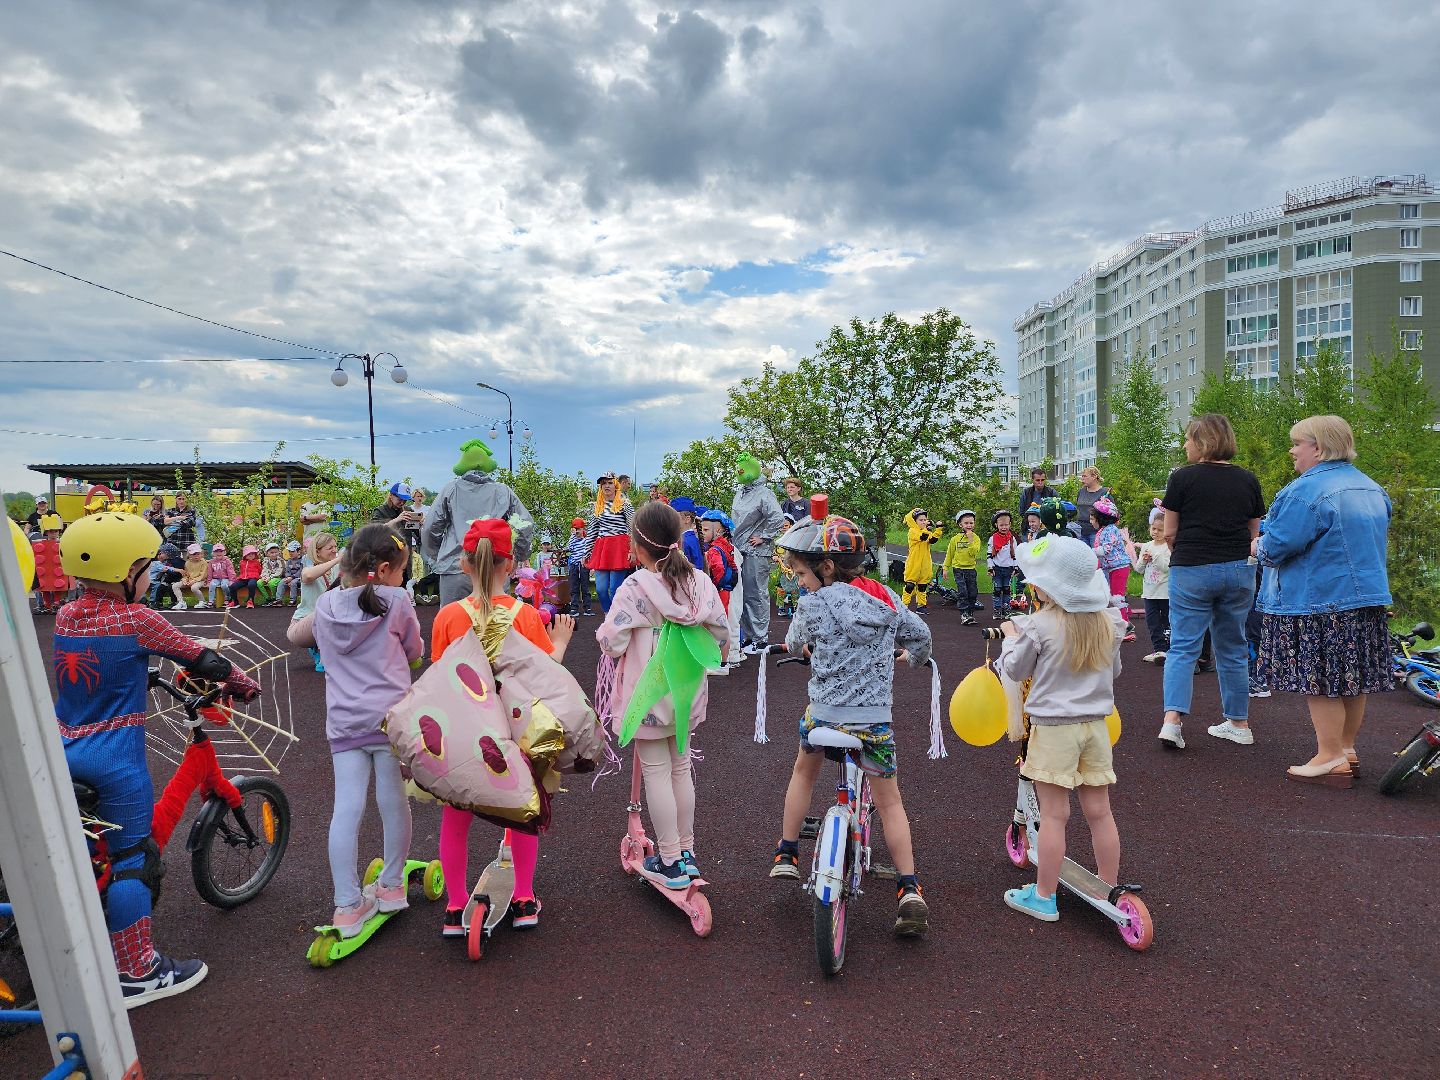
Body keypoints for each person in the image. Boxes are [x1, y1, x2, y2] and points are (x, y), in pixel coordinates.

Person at [54, 511, 259, 1006]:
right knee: (133, 860)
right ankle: (137, 972)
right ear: (128, 571)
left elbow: (100, 668)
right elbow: (199, 658)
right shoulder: (137, 618)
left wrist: (138, 674)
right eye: (147, 567)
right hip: (114, 762)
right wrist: (241, 683)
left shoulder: (67, 615)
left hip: (64, 749)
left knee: (85, 847)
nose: (151, 576)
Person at [768, 510, 931, 935]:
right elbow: (922, 639)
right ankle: (908, 888)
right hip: (873, 722)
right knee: (891, 802)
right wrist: (912, 657)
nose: (799, 581)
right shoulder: (885, 602)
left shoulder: (811, 604)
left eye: (802, 573)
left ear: (825, 568)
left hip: (824, 717)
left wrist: (806, 650)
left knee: (804, 770)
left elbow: (795, 643)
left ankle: (787, 853)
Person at [430, 518, 576, 933]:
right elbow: (546, 673)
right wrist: (561, 641)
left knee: (455, 822)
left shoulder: (448, 616)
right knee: (522, 815)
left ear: (464, 564)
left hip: (464, 734)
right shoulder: (526, 615)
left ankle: (456, 908)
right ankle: (524, 900)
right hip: (512, 734)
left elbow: (443, 675)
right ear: (510, 565)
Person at [290, 524, 421, 938]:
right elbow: (416, 652)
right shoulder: (398, 601)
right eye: (401, 571)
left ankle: (347, 904)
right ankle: (392, 884)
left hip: (345, 723)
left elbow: (295, 634)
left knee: (345, 810)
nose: (402, 579)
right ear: (384, 569)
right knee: (393, 802)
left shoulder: (327, 605)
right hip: (389, 721)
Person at [1256, 416, 1393, 788]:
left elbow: (1279, 545)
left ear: (1317, 447)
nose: (1292, 451)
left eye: (1296, 443)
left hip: (1318, 599)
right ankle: (1346, 749)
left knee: (1321, 680)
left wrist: (1258, 545)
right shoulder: (1371, 487)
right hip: (1366, 597)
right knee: (1353, 676)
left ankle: (1327, 756)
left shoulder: (1305, 491)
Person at [597, 501, 728, 886]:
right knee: (681, 767)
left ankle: (669, 860)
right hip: (686, 690)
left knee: (656, 771)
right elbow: (720, 632)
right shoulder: (700, 582)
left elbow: (612, 641)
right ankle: (686, 851)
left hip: (649, 694)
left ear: (638, 547)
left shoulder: (635, 587)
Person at [997, 534, 1125, 924]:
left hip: (1054, 729)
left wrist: (1009, 641)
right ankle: (1106, 886)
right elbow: (1114, 671)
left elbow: (1015, 670)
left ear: (1042, 586)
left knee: (1054, 815)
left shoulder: (1039, 625)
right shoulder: (1109, 622)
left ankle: (1044, 896)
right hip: (1096, 727)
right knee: (1100, 812)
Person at [1157, 414, 1266, 751]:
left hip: (1192, 568)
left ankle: (1173, 723)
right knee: (1232, 646)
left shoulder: (1182, 479)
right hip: (1237, 571)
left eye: (1189, 439)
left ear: (1202, 442)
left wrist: (1188, 551)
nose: (1185, 444)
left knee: (1184, 647)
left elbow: (1170, 532)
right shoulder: (1248, 480)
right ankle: (1238, 723)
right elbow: (1254, 533)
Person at [424, 440, 535, 607]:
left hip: (456, 568)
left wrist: (437, 557)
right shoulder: (502, 491)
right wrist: (517, 557)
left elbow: (430, 529)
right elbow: (525, 524)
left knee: (453, 626)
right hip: (495, 567)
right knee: (497, 627)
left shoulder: (451, 490)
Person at [729, 452, 786, 652]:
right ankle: (748, 637)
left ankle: (760, 639)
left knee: (756, 594)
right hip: (740, 549)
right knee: (742, 594)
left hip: (756, 551)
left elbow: (778, 518)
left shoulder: (764, 493)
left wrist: (764, 536)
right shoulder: (741, 492)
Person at [288, 531, 341, 672]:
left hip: (325, 623)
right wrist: (337, 559)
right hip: (301, 627)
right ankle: (321, 651)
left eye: (336, 546)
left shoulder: (337, 569)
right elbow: (307, 576)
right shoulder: (308, 569)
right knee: (323, 612)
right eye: (330, 548)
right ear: (317, 551)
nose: (335, 550)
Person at [585, 473, 636, 613]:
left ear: (616, 485)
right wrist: (586, 553)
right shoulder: (598, 507)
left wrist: (633, 550)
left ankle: (616, 620)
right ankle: (609, 615)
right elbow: (592, 531)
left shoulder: (625, 504)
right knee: (601, 589)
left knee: (615, 589)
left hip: (619, 547)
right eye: (604, 484)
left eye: (609, 483)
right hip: (602, 548)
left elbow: (633, 527)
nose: (606, 486)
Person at [1130, 508, 1172, 663]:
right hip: (1149, 593)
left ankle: (1169, 649)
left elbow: (1167, 568)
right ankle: (1158, 650)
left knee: (1167, 621)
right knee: (1152, 622)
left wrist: (1155, 558)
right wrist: (1144, 560)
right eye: (1154, 529)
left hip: (1165, 592)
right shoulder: (1147, 545)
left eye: (1160, 530)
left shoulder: (1169, 547)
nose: (1156, 532)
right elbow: (1139, 569)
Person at [1089, 496, 1133, 640]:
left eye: (1092, 518)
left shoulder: (1110, 530)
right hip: (1112, 567)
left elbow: (1106, 549)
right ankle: (1124, 622)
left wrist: (1088, 551)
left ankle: (1126, 627)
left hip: (1119, 567)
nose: (1091, 521)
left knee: (1117, 597)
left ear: (1101, 518)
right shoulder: (1104, 530)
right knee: (1114, 596)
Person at [371, 483, 423, 585]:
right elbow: (374, 531)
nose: (402, 502)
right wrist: (397, 520)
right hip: (387, 559)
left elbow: (416, 533)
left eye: (405, 500)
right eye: (400, 499)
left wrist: (420, 524)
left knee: (404, 588)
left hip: (405, 560)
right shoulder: (380, 511)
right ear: (391, 496)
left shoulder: (408, 511)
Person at [943, 510, 983, 624]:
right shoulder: (955, 539)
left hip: (970, 569)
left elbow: (974, 553)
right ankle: (964, 614)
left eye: (971, 523)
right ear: (960, 525)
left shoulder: (976, 538)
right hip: (958, 569)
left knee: (973, 592)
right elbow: (949, 554)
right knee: (963, 592)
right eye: (966, 523)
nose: (969, 525)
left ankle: (970, 613)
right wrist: (945, 568)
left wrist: (970, 540)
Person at [900, 508, 943, 613]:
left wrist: (938, 529)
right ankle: (903, 606)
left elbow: (932, 540)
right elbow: (923, 537)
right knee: (910, 585)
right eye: (921, 520)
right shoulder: (912, 531)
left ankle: (921, 606)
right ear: (914, 521)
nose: (924, 522)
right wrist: (928, 529)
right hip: (913, 563)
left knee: (922, 585)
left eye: (925, 519)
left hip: (925, 562)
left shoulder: (925, 530)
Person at [987, 511, 1020, 619]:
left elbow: (1015, 554)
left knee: (1006, 589)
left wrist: (1016, 567)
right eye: (1001, 525)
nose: (1004, 527)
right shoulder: (993, 538)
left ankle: (1006, 609)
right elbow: (989, 555)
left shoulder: (1012, 538)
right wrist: (990, 567)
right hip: (997, 568)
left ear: (1010, 524)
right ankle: (997, 610)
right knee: (997, 590)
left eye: (1006, 525)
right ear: (996, 525)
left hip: (1008, 568)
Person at [565, 517, 594, 616]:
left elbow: (590, 553)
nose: (577, 531)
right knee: (574, 587)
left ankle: (587, 608)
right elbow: (569, 548)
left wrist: (591, 567)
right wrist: (573, 536)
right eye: (575, 529)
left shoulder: (586, 540)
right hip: (574, 565)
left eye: (579, 529)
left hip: (583, 566)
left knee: (585, 587)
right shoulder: (573, 539)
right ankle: (574, 608)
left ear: (583, 529)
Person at [668, 497, 706, 571]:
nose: (670, 519)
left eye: (674, 516)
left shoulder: (685, 541)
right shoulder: (694, 538)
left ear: (687, 519)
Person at [1074, 467, 1109, 547]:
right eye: (1082, 476)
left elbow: (1111, 513)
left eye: (1085, 476)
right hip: (1081, 531)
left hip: (1096, 532)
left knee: (1096, 557)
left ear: (1094, 477)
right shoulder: (1081, 491)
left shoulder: (1104, 492)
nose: (1082, 479)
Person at [178, 544, 209, 608]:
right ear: (189, 555)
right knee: (175, 586)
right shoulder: (187, 563)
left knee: (194, 588)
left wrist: (194, 581)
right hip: (190, 580)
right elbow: (186, 575)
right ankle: (181, 602)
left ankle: (203, 601)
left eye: (198, 554)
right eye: (194, 554)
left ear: (201, 553)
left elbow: (203, 575)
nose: (196, 556)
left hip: (201, 581)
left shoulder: (204, 562)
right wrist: (184, 580)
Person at [206, 543, 236, 609]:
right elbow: (210, 572)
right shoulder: (211, 562)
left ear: (224, 552)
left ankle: (227, 599)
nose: (218, 553)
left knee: (224, 585)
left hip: (225, 578)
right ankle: (211, 601)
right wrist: (209, 581)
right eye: (216, 551)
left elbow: (230, 571)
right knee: (212, 584)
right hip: (215, 578)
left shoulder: (227, 561)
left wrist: (231, 580)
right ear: (213, 553)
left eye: (221, 551)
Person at [276, 539, 303, 606]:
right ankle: (278, 600)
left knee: (293, 582)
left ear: (299, 551)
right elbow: (287, 570)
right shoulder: (289, 561)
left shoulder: (302, 560)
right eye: (289, 551)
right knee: (282, 582)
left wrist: (292, 577)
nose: (290, 553)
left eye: (293, 551)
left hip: (299, 578)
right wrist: (288, 577)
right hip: (290, 577)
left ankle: (293, 600)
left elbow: (301, 571)